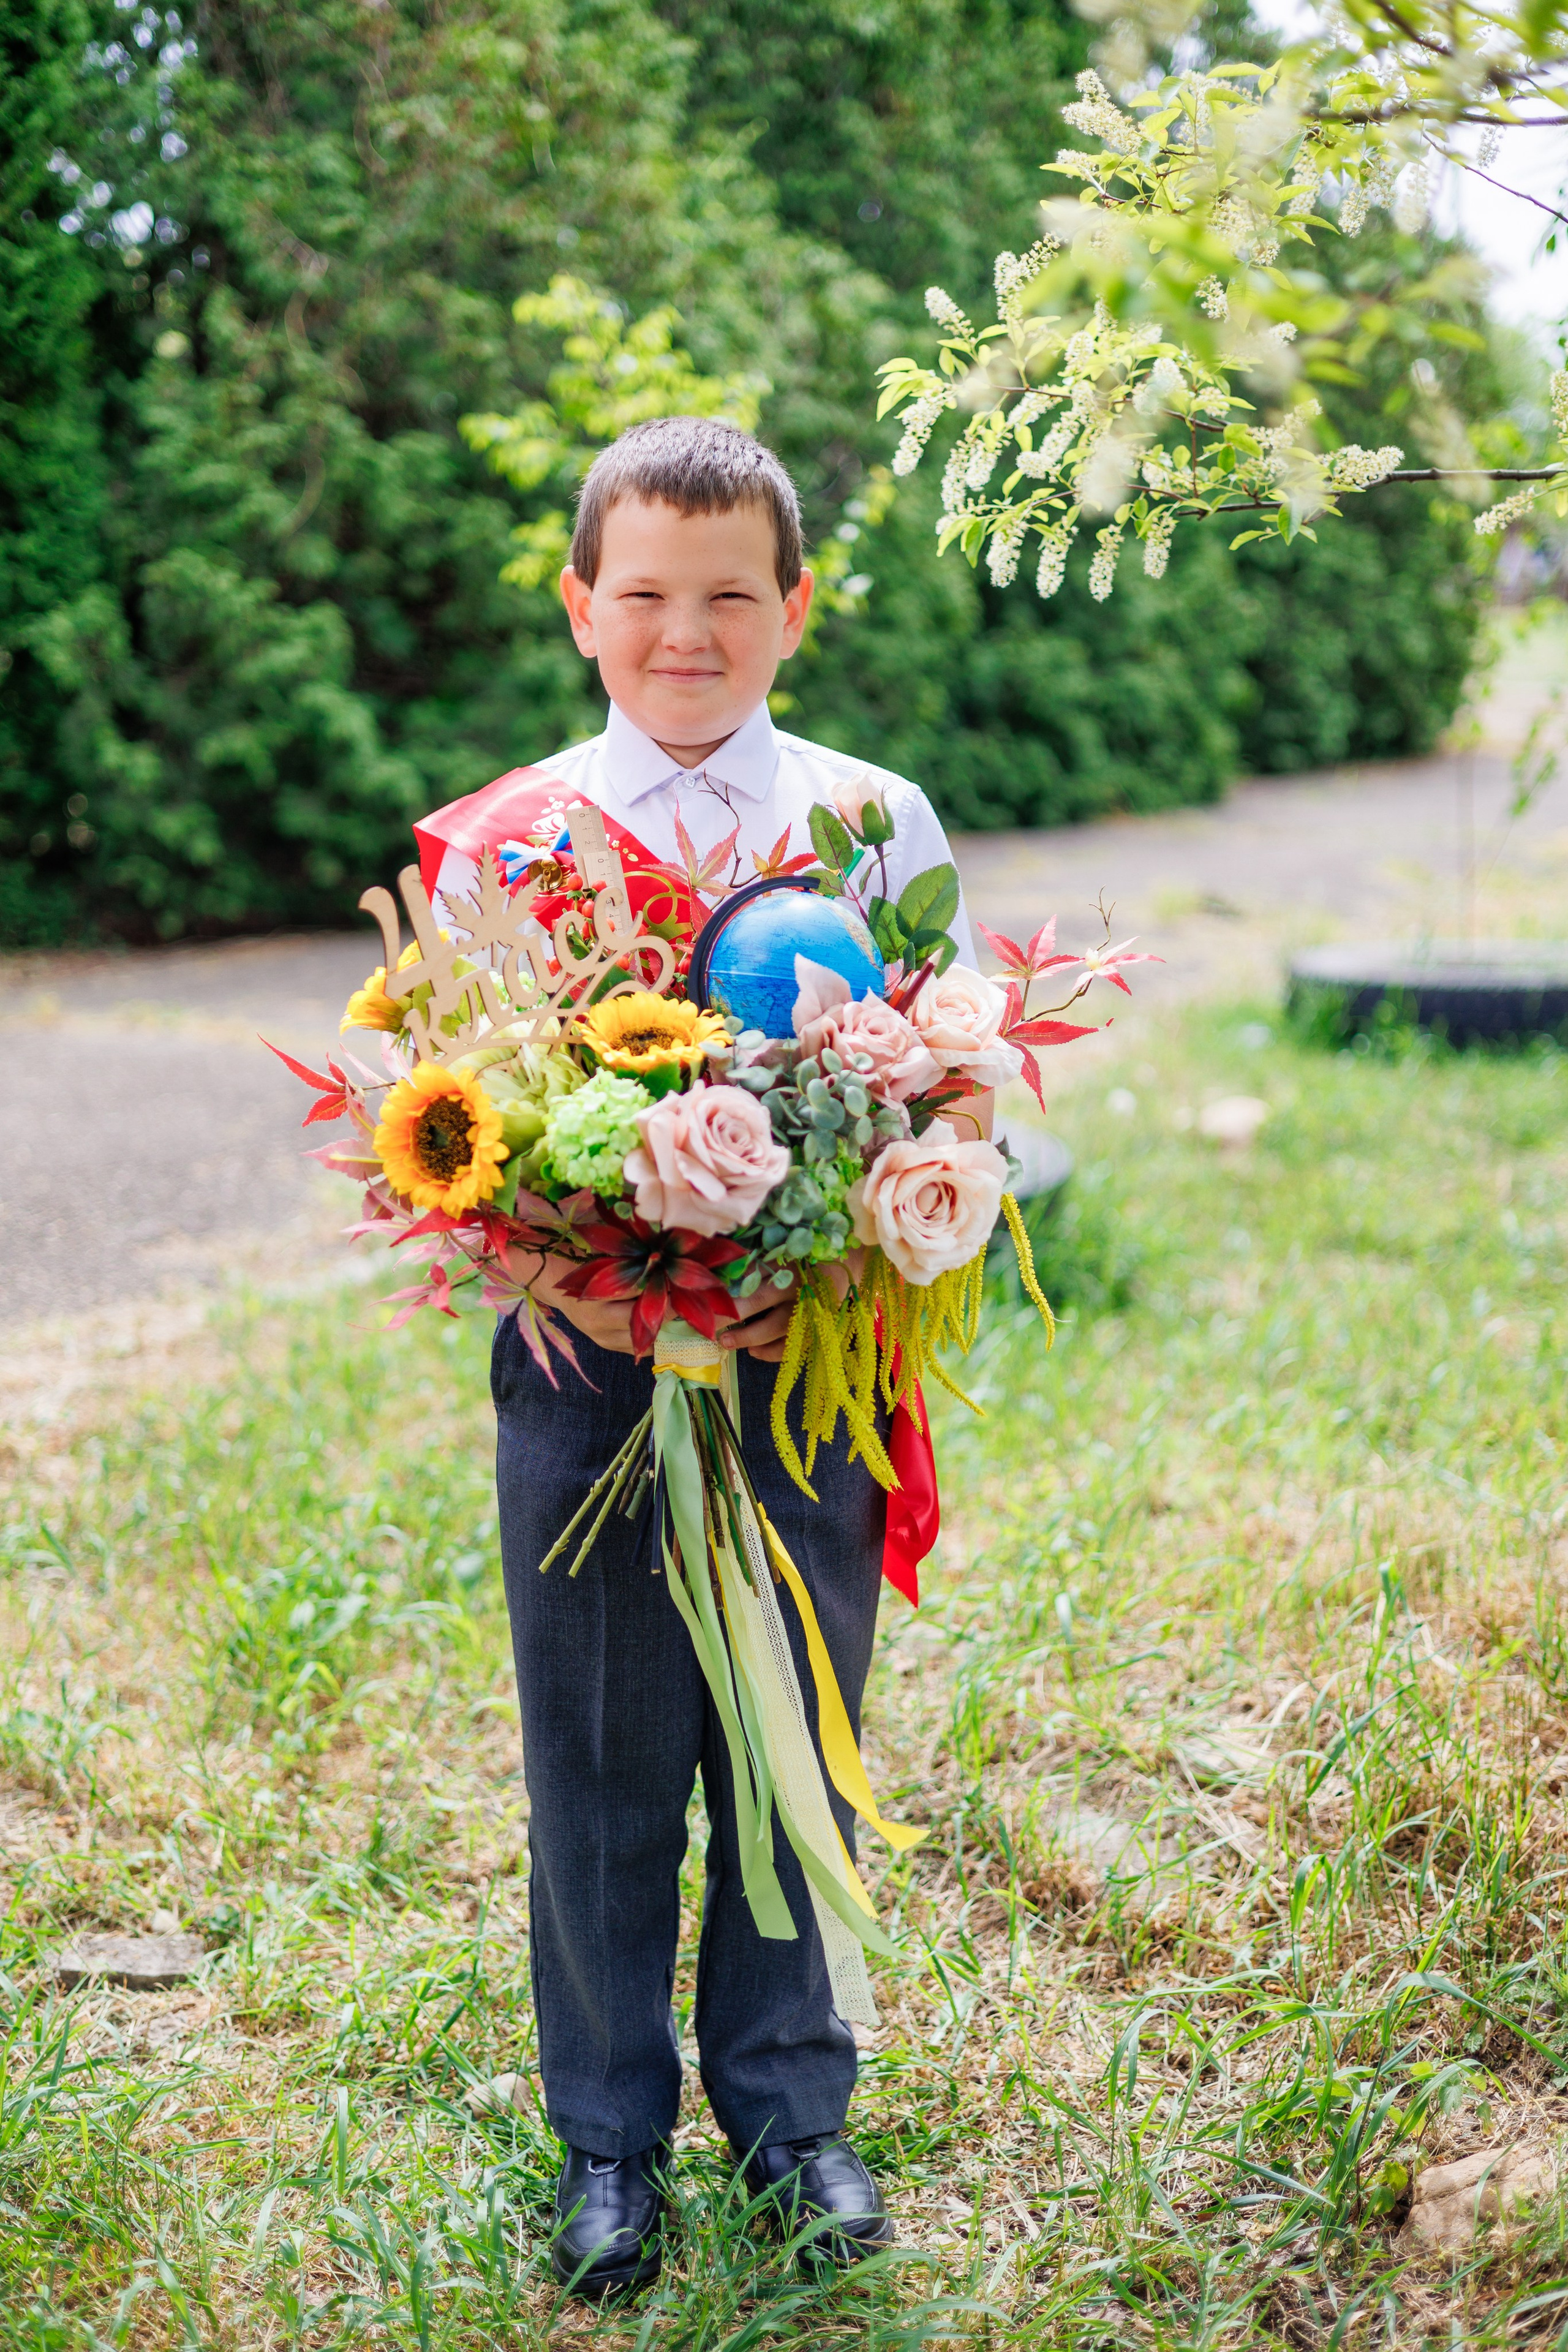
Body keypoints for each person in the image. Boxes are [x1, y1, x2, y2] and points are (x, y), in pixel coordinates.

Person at [463, 416, 983, 2299]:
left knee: (789, 1738)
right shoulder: (509, 844)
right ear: (585, 608)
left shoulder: (869, 826)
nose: (691, 635)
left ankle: (792, 2116)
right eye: (650, 597)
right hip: (588, 1367)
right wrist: (578, 1276)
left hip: (803, 1364)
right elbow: (451, 1130)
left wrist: (855, 1226)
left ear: (797, 610)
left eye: (733, 598)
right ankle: (608, 2143)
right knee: (599, 1754)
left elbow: (942, 1086)